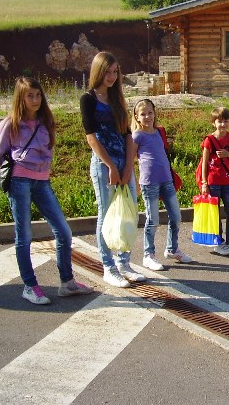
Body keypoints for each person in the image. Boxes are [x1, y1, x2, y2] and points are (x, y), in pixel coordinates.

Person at [0, 77, 93, 305]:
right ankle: (29, 286)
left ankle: (67, 282)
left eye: (38, 95)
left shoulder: (45, 120)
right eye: (30, 95)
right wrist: (7, 182)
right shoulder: (10, 123)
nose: (35, 99)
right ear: (21, 97)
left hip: (42, 181)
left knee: (64, 230)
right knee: (24, 236)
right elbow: (0, 157)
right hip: (20, 180)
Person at [80, 51, 145, 287]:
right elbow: (91, 138)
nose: (111, 76)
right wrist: (110, 166)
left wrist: (128, 166)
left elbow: (128, 135)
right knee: (106, 214)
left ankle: (124, 263)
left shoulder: (118, 99)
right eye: (107, 71)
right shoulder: (88, 99)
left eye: (115, 71)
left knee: (129, 212)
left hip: (123, 161)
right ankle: (108, 267)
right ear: (98, 71)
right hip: (103, 164)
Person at [132, 98, 193, 267]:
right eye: (143, 114)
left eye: (150, 113)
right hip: (149, 182)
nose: (147, 117)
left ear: (154, 113)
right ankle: (148, 255)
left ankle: (172, 249)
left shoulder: (159, 132)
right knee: (153, 220)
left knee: (176, 216)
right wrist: (135, 183)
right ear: (136, 117)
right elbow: (131, 159)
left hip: (166, 180)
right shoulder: (137, 136)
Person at [200, 107, 229, 256]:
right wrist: (204, 183)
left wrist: (227, 154)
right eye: (219, 121)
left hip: (227, 182)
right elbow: (204, 163)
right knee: (215, 214)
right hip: (213, 182)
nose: (223, 124)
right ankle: (218, 243)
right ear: (214, 123)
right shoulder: (209, 140)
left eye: (226, 121)